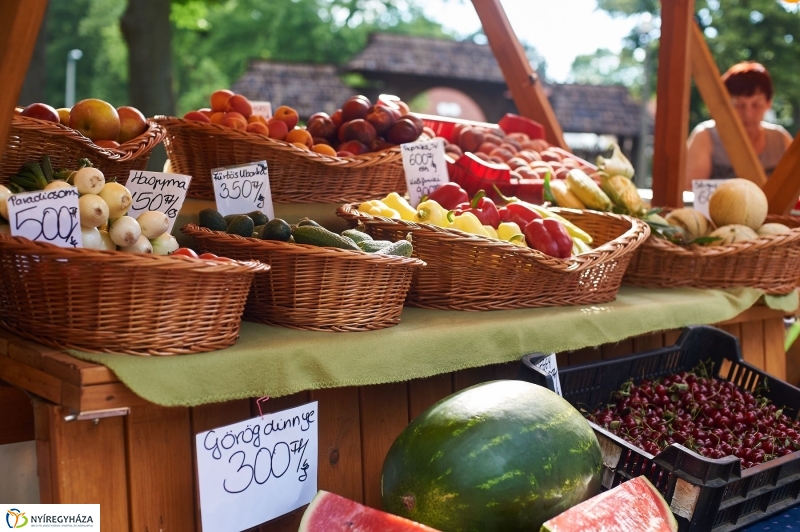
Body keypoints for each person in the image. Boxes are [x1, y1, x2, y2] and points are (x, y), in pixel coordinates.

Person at [685, 61, 793, 185]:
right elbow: (690, 190)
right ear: (725, 104)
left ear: (769, 103)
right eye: (739, 105)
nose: (748, 113)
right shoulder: (705, 136)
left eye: (756, 105)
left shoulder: (779, 139)